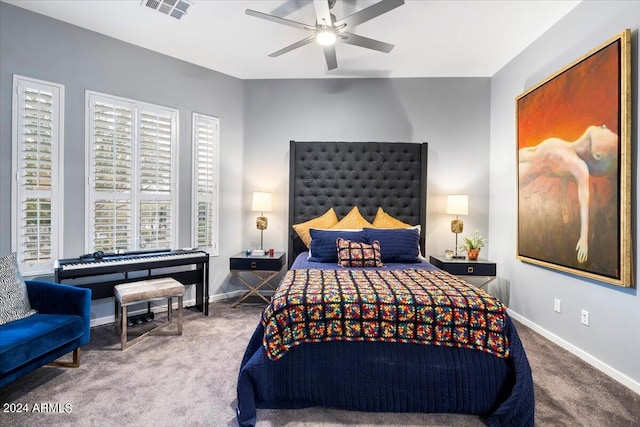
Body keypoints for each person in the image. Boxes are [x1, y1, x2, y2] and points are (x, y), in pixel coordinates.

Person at [518, 124, 618, 264]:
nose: (604, 128)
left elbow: (584, 202)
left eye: (607, 131)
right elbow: (564, 176)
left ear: (598, 155)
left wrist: (584, 239)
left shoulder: (579, 167)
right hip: (523, 155)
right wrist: (564, 203)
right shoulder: (568, 150)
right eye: (604, 127)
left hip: (525, 171)